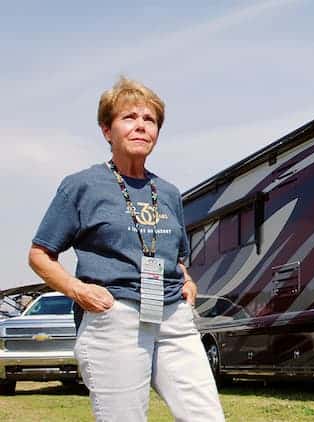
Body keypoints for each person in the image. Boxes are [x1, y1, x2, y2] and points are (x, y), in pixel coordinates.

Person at [28, 77, 225, 422]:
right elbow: (40, 254)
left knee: (205, 416)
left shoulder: (167, 192)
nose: (141, 126)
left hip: (173, 316)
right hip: (115, 315)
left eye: (149, 120)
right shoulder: (82, 186)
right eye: (129, 118)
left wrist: (188, 281)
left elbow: (175, 256)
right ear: (107, 130)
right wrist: (79, 290)